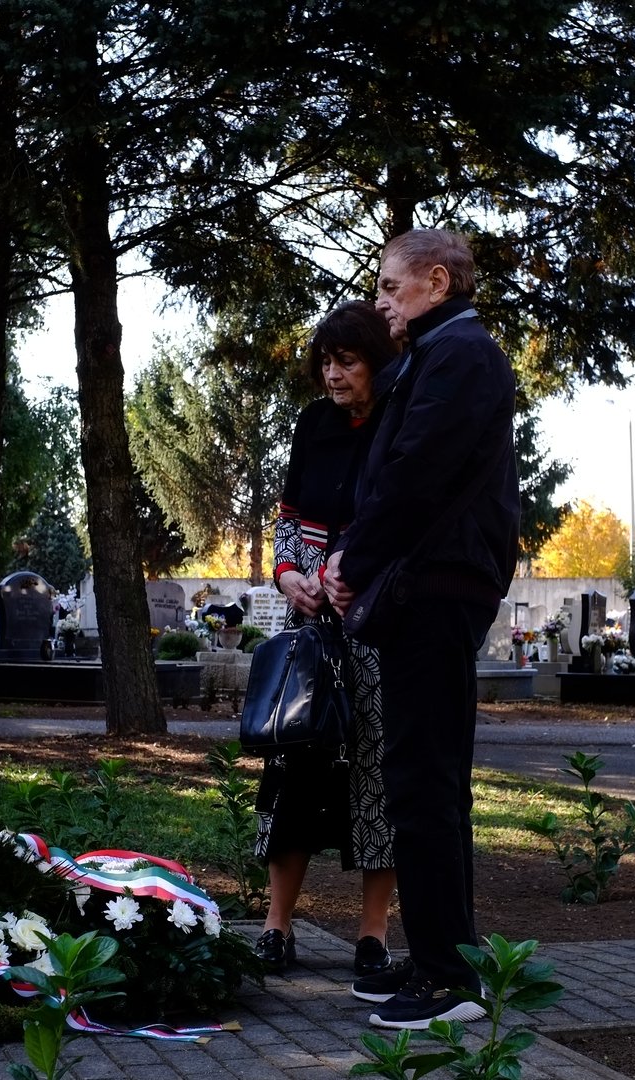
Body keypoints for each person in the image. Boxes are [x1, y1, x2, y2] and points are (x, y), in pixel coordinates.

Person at [324, 229, 518, 1030]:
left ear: (437, 281)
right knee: (419, 778)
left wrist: (352, 562)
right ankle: (446, 954)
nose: (379, 303)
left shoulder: (461, 353)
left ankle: (450, 981)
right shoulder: (440, 352)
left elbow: (414, 473)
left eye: (389, 288)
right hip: (428, 582)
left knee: (426, 780)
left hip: (437, 584)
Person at [252, 300, 400, 981]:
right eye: (326, 363)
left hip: (378, 631)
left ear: (377, 360)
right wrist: (289, 579)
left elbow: (403, 521)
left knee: (376, 777)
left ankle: (371, 936)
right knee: (294, 771)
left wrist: (358, 580)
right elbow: (288, 520)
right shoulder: (312, 424)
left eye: (348, 362)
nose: (334, 376)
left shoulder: (401, 420)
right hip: (311, 629)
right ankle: (277, 927)